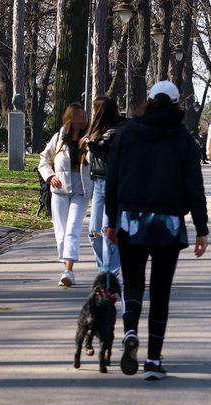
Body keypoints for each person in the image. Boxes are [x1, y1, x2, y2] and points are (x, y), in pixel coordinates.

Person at [105, 80, 209, 380]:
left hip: (131, 220)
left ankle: (130, 331)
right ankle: (152, 360)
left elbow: (112, 180)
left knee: (133, 283)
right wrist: (201, 228)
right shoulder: (183, 139)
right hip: (168, 222)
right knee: (161, 291)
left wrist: (111, 221)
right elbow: (194, 185)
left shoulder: (127, 134)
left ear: (148, 101)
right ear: (177, 104)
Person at [38, 102, 91, 287]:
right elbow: (43, 160)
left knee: (73, 230)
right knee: (60, 232)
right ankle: (66, 266)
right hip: (59, 190)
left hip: (81, 190)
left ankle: (69, 271)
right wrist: (50, 176)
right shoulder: (59, 138)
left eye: (84, 118)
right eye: (80, 117)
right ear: (71, 118)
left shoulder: (89, 139)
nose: (83, 121)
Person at [81, 96, 123, 275]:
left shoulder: (119, 129)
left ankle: (110, 275)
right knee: (94, 233)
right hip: (98, 182)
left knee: (108, 231)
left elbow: (113, 158)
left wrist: (93, 147)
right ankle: (104, 270)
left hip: (114, 183)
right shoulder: (98, 129)